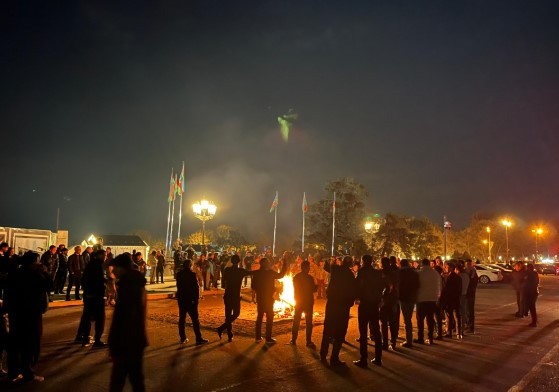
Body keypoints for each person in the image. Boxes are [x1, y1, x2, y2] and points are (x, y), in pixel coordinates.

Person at [5, 251, 52, 383]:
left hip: (15, 313)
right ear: (33, 263)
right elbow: (49, 286)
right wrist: (45, 271)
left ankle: (13, 372)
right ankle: (28, 373)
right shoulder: (36, 275)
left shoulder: (15, 273)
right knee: (31, 344)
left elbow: (7, 290)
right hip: (31, 313)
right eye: (37, 261)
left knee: (15, 343)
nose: (39, 263)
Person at [108, 253, 148, 392]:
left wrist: (115, 343)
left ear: (122, 268)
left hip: (127, 342)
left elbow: (126, 316)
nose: (112, 271)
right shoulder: (133, 283)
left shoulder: (130, 286)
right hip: (133, 341)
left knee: (120, 381)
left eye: (114, 268)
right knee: (135, 380)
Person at [320, 256, 356, 366]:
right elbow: (352, 290)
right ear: (350, 264)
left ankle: (323, 354)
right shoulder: (350, 275)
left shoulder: (335, 269)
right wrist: (350, 303)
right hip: (343, 307)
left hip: (332, 304)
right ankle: (334, 358)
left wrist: (330, 260)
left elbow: (326, 266)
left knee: (327, 329)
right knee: (340, 332)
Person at [353, 255, 386, 368]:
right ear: (371, 262)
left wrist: (356, 297)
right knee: (376, 331)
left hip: (365, 304)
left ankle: (364, 359)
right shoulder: (377, 273)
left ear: (363, 262)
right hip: (374, 304)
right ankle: (378, 357)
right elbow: (383, 286)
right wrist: (380, 298)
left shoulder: (362, 272)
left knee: (363, 332)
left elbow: (357, 286)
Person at [251, 252, 289, 343]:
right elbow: (281, 275)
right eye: (268, 262)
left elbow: (253, 286)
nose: (269, 263)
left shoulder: (257, 273)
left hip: (260, 298)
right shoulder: (270, 273)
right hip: (268, 298)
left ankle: (258, 337)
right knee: (269, 317)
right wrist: (284, 266)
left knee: (259, 317)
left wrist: (259, 291)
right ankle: (268, 338)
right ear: (265, 264)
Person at [217, 254, 252, 341]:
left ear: (231, 261)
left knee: (228, 315)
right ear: (239, 262)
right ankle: (225, 331)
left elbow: (224, 281)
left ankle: (226, 332)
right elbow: (251, 272)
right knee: (236, 314)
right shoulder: (240, 271)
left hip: (228, 295)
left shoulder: (227, 270)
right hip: (235, 296)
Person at [76, 249, 107, 347]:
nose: (105, 257)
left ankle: (84, 337)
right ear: (99, 256)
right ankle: (97, 340)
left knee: (87, 317)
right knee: (99, 318)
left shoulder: (91, 265)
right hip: (96, 295)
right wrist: (106, 283)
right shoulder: (97, 265)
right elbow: (97, 280)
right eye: (104, 255)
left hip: (89, 295)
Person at [176, 259, 208, 345]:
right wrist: (196, 299)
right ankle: (198, 337)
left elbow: (178, 287)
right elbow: (196, 288)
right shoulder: (192, 275)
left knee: (182, 319)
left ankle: (183, 338)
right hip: (190, 300)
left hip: (182, 299)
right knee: (195, 320)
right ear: (190, 265)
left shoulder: (179, 274)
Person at [290, 260, 317, 346]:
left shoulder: (296, 277)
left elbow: (296, 288)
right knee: (308, 322)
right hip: (308, 302)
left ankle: (293, 340)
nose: (309, 269)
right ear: (305, 268)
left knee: (296, 321)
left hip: (299, 301)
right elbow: (313, 289)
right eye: (308, 267)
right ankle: (308, 341)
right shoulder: (310, 278)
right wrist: (316, 286)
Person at [415, 259, 441, 345]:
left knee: (420, 320)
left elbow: (416, 286)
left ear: (422, 264)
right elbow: (439, 286)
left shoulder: (418, 273)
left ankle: (421, 337)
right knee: (430, 319)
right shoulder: (435, 273)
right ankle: (430, 338)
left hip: (421, 299)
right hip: (432, 299)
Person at [379, 257, 399, 350]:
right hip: (393, 300)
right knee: (392, 322)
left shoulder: (381, 273)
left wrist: (382, 298)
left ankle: (385, 343)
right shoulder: (394, 273)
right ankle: (393, 342)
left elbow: (384, 287)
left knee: (384, 322)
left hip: (385, 300)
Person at [398, 259, 419, 347]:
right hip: (412, 297)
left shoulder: (401, 273)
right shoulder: (414, 272)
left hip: (404, 297)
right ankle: (409, 338)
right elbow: (418, 284)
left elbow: (399, 284)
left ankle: (409, 340)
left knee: (407, 319)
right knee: (408, 318)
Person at [441, 262, 462, 339]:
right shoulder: (458, 277)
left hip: (449, 299)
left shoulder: (448, 278)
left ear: (451, 268)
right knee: (457, 316)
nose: (445, 268)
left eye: (447, 267)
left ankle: (449, 332)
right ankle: (458, 333)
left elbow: (445, 289)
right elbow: (460, 289)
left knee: (449, 316)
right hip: (456, 299)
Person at [456, 264, 470, 338]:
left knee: (458, 314)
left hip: (459, 295)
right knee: (463, 312)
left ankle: (459, 330)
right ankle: (462, 329)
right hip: (464, 294)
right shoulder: (466, 276)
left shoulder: (459, 276)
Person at [465, 259, 478, 332]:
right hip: (466, 293)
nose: (467, 266)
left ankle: (471, 326)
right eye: (466, 265)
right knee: (466, 310)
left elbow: (473, 284)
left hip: (470, 294)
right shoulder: (466, 272)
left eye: (468, 265)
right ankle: (467, 324)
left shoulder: (473, 273)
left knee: (470, 310)